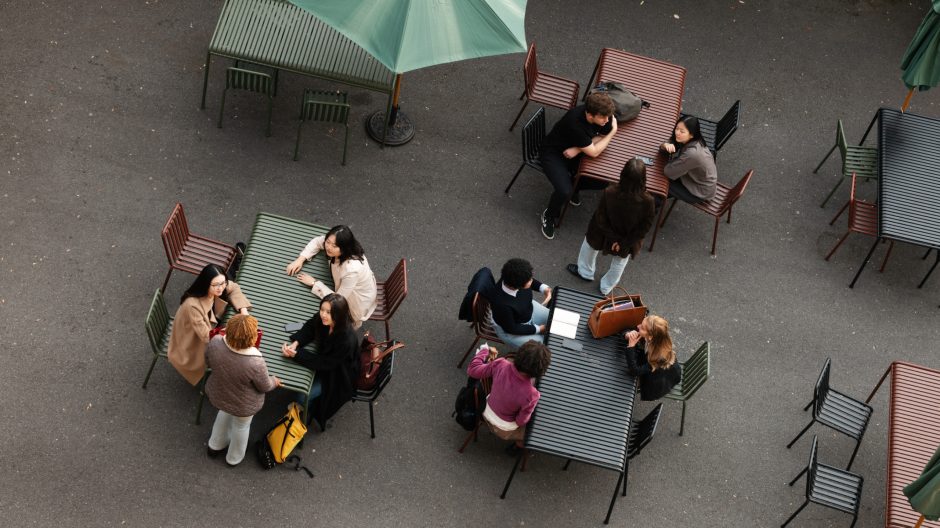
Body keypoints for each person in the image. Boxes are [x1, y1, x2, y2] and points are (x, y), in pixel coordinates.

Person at [567, 158, 656, 295]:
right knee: (620, 262)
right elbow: (644, 227)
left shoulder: (610, 192)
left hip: (602, 232)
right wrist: (622, 242)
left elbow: (600, 217)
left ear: (623, 174)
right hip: (628, 238)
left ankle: (585, 273)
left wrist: (613, 239)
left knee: (589, 248)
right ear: (643, 178)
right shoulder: (648, 201)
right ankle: (606, 287)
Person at [539, 92, 619, 240]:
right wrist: (613, 132)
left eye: (608, 117)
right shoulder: (574, 123)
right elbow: (594, 152)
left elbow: (601, 136)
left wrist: (578, 148)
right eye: (603, 118)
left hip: (573, 151)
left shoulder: (603, 116)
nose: (607, 120)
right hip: (554, 154)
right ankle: (549, 215)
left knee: (601, 181)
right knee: (563, 190)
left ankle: (574, 187)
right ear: (589, 115)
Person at [205, 314, 281, 466]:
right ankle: (233, 458)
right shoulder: (255, 362)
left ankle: (214, 445)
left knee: (224, 413)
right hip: (243, 404)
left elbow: (207, 361)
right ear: (252, 338)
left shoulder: (215, 342)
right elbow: (264, 386)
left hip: (220, 393)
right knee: (241, 426)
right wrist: (275, 381)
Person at [281, 293, 360, 429]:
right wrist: (296, 343)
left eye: (328, 312)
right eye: (322, 309)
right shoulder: (327, 320)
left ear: (338, 314)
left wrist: (297, 354)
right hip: (328, 363)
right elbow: (311, 326)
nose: (323, 314)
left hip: (338, 376)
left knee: (301, 397)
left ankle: (305, 411)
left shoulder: (346, 340)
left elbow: (325, 363)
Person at [168, 263, 251, 386]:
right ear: (206, 283)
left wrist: (244, 311)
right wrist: (231, 329)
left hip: (206, 331)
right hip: (192, 345)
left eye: (223, 283)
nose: (221, 288)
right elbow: (207, 337)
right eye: (216, 285)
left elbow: (233, 287)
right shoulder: (192, 305)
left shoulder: (219, 287)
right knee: (235, 357)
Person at [285, 225, 377, 329]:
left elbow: (338, 300)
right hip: (345, 287)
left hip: (355, 302)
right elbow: (317, 241)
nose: (328, 247)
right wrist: (300, 259)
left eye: (334, 246)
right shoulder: (339, 244)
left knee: (323, 319)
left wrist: (314, 283)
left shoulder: (352, 270)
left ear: (344, 248)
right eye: (328, 242)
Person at [467, 341, 552, 443]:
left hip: (485, 409)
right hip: (504, 428)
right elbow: (521, 421)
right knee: (537, 430)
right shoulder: (532, 395)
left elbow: (473, 370)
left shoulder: (501, 363)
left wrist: (484, 351)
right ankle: (518, 446)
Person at [488, 258, 552, 349]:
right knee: (542, 348)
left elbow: (528, 280)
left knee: (555, 319)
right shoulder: (501, 306)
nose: (532, 280)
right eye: (529, 280)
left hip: (525, 310)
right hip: (511, 331)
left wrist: (544, 288)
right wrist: (538, 329)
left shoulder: (510, 277)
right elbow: (512, 328)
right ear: (518, 285)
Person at [659, 115, 717, 205]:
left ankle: (650, 208)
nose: (677, 133)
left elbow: (668, 172)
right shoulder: (695, 140)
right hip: (696, 178)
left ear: (691, 135)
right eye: (677, 128)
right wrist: (665, 145)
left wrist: (672, 160)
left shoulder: (692, 154)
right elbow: (670, 144)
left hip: (699, 191)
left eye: (682, 131)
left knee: (661, 183)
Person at [623, 315, 681, 401]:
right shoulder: (656, 336)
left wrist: (631, 346)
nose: (638, 326)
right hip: (655, 367)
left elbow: (635, 371)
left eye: (642, 328)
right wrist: (628, 334)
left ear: (650, 336)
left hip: (658, 381)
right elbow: (628, 329)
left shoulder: (659, 357)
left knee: (624, 382)